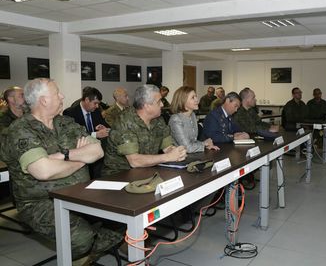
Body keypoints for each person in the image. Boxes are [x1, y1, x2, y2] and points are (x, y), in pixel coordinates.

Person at [0, 78, 123, 264]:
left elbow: (97, 151)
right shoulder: (20, 130)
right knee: (81, 238)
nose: (62, 96)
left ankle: (89, 253)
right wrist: (81, 160)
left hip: (80, 191)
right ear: (43, 100)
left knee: (122, 215)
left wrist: (64, 155)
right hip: (41, 201)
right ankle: (84, 250)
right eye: (57, 93)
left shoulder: (65, 122)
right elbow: (43, 171)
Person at [102, 85, 187, 176]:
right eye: (159, 102)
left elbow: (167, 147)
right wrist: (168, 157)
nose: (162, 104)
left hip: (147, 171)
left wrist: (176, 152)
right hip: (119, 176)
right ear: (147, 106)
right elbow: (135, 161)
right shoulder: (125, 122)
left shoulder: (158, 119)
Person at [63, 87, 110, 179]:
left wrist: (105, 128)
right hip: (80, 150)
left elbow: (106, 125)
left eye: (98, 104)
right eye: (95, 103)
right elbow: (73, 135)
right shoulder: (70, 113)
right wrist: (95, 134)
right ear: (87, 100)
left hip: (97, 151)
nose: (97, 106)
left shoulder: (96, 111)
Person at [169, 86, 219, 153]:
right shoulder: (176, 119)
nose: (197, 100)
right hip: (178, 158)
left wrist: (206, 145)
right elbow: (187, 148)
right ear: (183, 101)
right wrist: (204, 144)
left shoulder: (192, 115)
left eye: (196, 96)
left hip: (190, 156)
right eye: (193, 98)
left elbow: (193, 142)